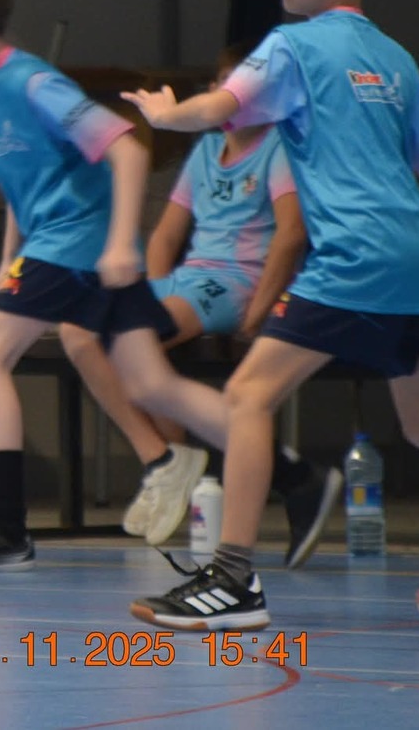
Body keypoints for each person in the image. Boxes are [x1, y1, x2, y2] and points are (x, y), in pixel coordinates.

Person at [121, 0, 419, 631]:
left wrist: (166, 113)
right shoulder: (395, 59)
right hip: (415, 257)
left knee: (247, 397)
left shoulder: (292, 45)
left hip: (355, 256)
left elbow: (219, 108)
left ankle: (232, 581)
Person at [0, 0, 170, 572]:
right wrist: (10, 254)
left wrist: (120, 243)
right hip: (47, 243)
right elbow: (21, 174)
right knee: (152, 382)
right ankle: (291, 477)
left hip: (80, 239)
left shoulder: (35, 83)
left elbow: (129, 150)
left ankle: (6, 529)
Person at [56, 43, 315, 549]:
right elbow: (165, 237)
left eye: (243, 88)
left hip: (236, 283)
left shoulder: (280, 149)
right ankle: (162, 460)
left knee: (132, 341)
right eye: (223, 85)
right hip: (188, 279)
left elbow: (290, 235)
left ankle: (171, 466)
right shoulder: (205, 149)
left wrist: (260, 310)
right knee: (79, 332)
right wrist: (149, 294)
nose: (231, 96)